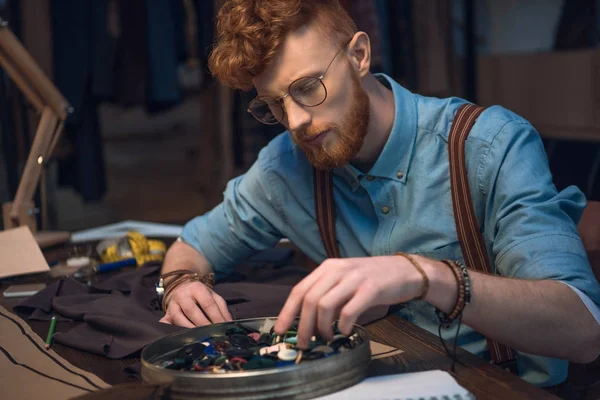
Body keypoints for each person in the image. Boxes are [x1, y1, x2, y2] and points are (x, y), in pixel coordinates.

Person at [159, 0, 600, 387]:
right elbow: (191, 246)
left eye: (308, 88)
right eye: (274, 104)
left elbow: (582, 330)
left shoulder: (487, 145)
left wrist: (426, 275)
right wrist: (181, 284)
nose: (294, 121)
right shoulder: (283, 168)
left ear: (359, 55)